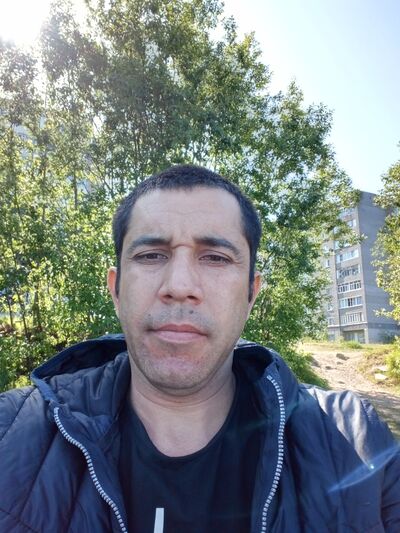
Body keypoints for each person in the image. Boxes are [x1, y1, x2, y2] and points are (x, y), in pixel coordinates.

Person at [0, 164, 399, 533]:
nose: (179, 286)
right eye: (151, 255)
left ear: (251, 294)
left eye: (215, 258)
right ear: (115, 290)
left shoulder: (359, 446)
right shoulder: (10, 434)